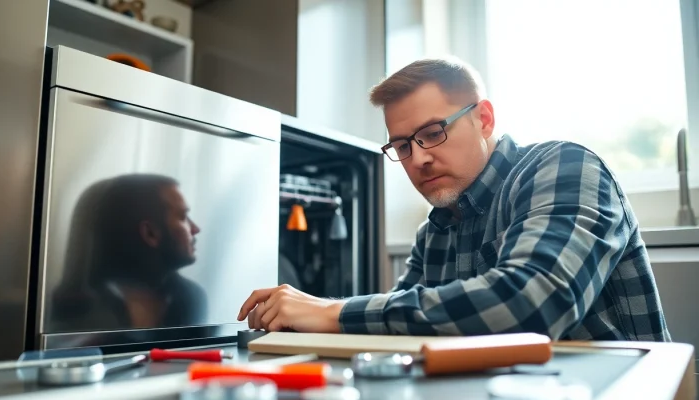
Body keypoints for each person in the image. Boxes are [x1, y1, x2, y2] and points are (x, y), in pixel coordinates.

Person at [237, 58, 671, 341]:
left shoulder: (565, 166)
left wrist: (331, 311)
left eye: (431, 133)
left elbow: (530, 304)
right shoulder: (436, 230)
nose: (419, 158)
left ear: (484, 119)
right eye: (402, 146)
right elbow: (397, 324)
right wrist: (298, 319)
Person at [50, 174, 207, 332]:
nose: (195, 229)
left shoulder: (191, 300)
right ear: (150, 233)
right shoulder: (74, 312)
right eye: (182, 217)